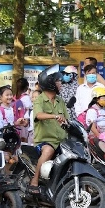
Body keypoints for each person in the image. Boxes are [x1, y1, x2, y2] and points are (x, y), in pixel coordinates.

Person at [29, 65, 68, 194]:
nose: (61, 83)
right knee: (48, 151)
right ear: (50, 83)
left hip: (62, 140)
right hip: (45, 140)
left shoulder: (60, 100)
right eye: (58, 81)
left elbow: (67, 119)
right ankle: (34, 181)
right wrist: (54, 116)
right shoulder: (39, 100)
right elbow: (38, 115)